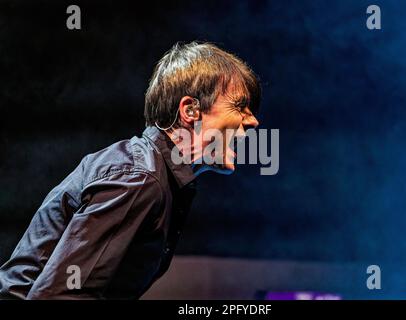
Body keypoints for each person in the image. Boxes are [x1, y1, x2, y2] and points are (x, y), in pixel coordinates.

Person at [0, 41, 260, 299]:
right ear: (190, 110)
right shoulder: (140, 178)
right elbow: (59, 296)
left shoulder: (153, 174)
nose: (253, 121)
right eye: (239, 107)